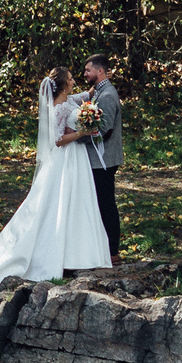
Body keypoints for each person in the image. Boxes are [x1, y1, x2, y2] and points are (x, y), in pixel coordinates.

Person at [0, 65, 111, 288]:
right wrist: (81, 133)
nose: (75, 81)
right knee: (59, 202)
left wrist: (101, 83)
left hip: (78, 159)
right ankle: (59, 254)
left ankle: (80, 254)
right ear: (64, 83)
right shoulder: (58, 108)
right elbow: (57, 139)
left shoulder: (70, 100)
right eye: (72, 79)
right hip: (66, 159)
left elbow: (87, 95)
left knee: (79, 202)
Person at [58, 54, 124, 264]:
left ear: (100, 71)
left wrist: (77, 139)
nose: (85, 74)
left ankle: (113, 251)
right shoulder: (100, 91)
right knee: (97, 204)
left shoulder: (107, 95)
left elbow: (103, 130)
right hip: (96, 159)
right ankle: (100, 248)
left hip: (103, 160)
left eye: (88, 70)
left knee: (106, 204)